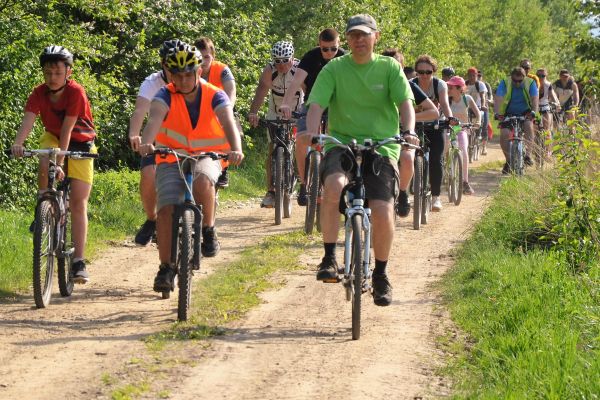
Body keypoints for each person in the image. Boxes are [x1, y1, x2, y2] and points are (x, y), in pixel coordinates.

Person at [305, 14, 416, 306]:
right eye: (353, 35)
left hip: (381, 146)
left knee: (381, 210)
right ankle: (329, 257)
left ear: (375, 37)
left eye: (364, 34)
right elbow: (316, 103)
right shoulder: (334, 69)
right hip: (342, 142)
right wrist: (313, 132)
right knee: (332, 187)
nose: (359, 40)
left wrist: (409, 132)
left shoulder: (389, 67)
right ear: (347, 39)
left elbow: (406, 103)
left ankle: (380, 274)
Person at [139, 42, 244, 292]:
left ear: (199, 71)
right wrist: (146, 143)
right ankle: (166, 267)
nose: (184, 81)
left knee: (202, 182)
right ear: (171, 76)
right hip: (170, 156)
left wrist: (236, 147)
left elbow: (228, 121)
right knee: (165, 210)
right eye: (178, 76)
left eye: (189, 74)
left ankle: (208, 229)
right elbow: (154, 118)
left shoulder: (214, 94)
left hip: (208, 155)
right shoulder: (165, 94)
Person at [11, 45, 97, 283]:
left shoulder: (76, 92)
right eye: (48, 73)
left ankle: (79, 261)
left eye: (57, 73)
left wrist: (60, 164)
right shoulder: (39, 92)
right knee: (44, 153)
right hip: (53, 137)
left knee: (78, 202)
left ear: (68, 72)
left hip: (80, 142)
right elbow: (28, 120)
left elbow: (68, 130)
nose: (52, 78)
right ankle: (44, 206)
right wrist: (18, 143)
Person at [279, 28, 345, 206]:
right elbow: (295, 82)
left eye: (334, 49)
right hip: (313, 104)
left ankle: (334, 177)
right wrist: (286, 102)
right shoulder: (310, 57)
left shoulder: (346, 58)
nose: (329, 53)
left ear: (339, 45)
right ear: (319, 45)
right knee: (301, 139)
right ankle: (303, 182)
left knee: (338, 140)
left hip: (337, 106)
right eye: (325, 49)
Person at [128, 40, 178, 246]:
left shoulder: (190, 80)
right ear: (162, 63)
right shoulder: (153, 82)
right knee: (148, 174)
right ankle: (151, 219)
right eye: (169, 63)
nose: (174, 69)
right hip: (157, 137)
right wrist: (134, 134)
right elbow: (140, 110)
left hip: (187, 137)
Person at [381, 48, 439, 217]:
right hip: (379, 133)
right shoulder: (371, 85)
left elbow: (433, 112)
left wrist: (407, 119)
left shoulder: (409, 86)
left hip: (405, 133)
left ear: (402, 67)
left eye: (396, 66)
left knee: (407, 158)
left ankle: (403, 192)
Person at [247, 40, 303, 208]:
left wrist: (307, 115)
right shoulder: (269, 71)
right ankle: (271, 191)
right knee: (272, 148)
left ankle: (303, 182)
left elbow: (310, 93)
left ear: (292, 58)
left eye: (285, 60)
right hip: (276, 109)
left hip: (297, 108)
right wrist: (253, 113)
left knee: (301, 143)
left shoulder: (299, 70)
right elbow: (261, 93)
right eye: (277, 60)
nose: (281, 64)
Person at [411, 54, 455, 212]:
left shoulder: (439, 84)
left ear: (433, 72)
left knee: (436, 159)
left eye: (428, 72)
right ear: (416, 72)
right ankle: (410, 189)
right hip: (415, 124)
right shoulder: (411, 84)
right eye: (420, 72)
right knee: (409, 156)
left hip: (436, 125)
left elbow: (444, 103)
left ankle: (436, 197)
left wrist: (449, 118)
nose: (424, 76)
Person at [194, 37, 239, 188]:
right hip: (197, 111)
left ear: (213, 56)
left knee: (230, 128)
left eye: (206, 57)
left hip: (221, 109)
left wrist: (228, 110)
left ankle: (224, 167)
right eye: (200, 57)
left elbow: (231, 91)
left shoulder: (222, 69)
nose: (203, 61)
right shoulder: (189, 69)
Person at [494, 66, 539, 173]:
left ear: (524, 77)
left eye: (520, 81)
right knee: (504, 133)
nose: (517, 83)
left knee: (528, 125)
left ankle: (528, 155)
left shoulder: (531, 83)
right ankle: (508, 161)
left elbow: (535, 99)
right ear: (511, 77)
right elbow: (499, 98)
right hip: (508, 112)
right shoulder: (505, 82)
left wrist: (534, 111)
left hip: (525, 111)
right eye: (515, 81)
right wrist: (497, 113)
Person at [447, 76, 481, 194]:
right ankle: (443, 172)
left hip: (462, 129)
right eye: (448, 86)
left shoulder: (467, 99)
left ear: (459, 88)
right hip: (449, 129)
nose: (448, 89)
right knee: (444, 147)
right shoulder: (446, 100)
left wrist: (478, 122)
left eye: (451, 87)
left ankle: (465, 182)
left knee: (464, 150)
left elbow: (478, 113)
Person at [536, 68, 560, 153]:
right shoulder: (533, 84)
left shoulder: (548, 85)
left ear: (546, 76)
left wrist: (557, 103)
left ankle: (548, 152)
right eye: (538, 75)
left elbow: (553, 95)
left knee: (547, 129)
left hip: (545, 107)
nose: (541, 77)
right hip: (535, 108)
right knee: (533, 129)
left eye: (543, 76)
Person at [465, 67, 488, 154]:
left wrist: (482, 105)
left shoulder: (480, 84)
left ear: (476, 76)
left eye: (474, 75)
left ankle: (478, 134)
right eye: (470, 75)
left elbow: (483, 96)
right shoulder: (465, 84)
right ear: (468, 76)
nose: (472, 77)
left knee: (481, 121)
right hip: (467, 107)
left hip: (478, 107)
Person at [478, 70, 494, 154]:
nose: (478, 77)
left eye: (479, 76)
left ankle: (484, 147)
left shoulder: (486, 85)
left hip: (484, 108)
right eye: (477, 75)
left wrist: (490, 100)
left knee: (484, 126)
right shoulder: (469, 83)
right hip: (471, 108)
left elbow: (490, 95)